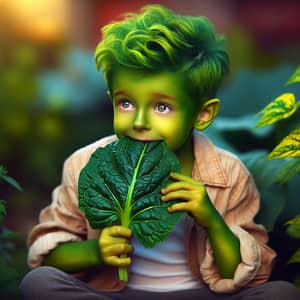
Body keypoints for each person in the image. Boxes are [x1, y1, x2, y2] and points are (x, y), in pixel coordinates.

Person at [20, 4, 300, 300]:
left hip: (198, 295)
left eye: (162, 107)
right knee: (39, 282)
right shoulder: (84, 164)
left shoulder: (228, 172)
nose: (139, 122)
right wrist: (94, 251)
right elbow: (47, 252)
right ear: (111, 100)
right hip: (117, 294)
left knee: (280, 293)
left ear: (203, 114)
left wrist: (211, 219)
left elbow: (248, 274)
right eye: (126, 103)